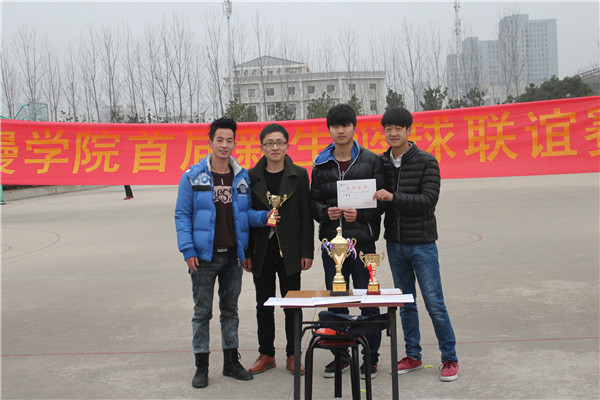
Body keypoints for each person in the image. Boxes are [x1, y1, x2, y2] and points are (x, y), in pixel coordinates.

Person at [174, 117, 272, 389]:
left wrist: (264, 217)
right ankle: (201, 367)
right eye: (220, 140)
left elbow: (245, 214)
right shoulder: (192, 176)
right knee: (202, 312)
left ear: (234, 143)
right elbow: (182, 215)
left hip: (232, 256)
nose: (224, 145)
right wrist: (187, 249)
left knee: (230, 311)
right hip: (203, 257)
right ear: (210, 142)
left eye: (229, 140)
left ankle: (231, 362)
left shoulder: (241, 177)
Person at [373, 107, 459, 382]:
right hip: (395, 244)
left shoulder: (426, 161)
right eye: (388, 128)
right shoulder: (381, 162)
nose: (393, 133)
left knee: (434, 302)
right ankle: (413, 354)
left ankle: (449, 358)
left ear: (409, 131)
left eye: (398, 128)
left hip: (422, 244)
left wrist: (393, 197)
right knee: (405, 304)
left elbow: (428, 201)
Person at [310, 103, 386, 379]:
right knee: (337, 302)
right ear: (329, 129)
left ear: (354, 127)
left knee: (368, 301)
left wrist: (361, 214)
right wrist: (324, 212)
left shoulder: (372, 161)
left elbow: (381, 202)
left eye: (345, 125)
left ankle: (371, 358)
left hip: (363, 244)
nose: (340, 130)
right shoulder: (320, 164)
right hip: (333, 246)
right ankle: (340, 355)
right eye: (335, 126)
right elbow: (313, 202)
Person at [245, 123, 314, 376]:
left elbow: (306, 214)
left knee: (292, 303)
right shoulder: (251, 176)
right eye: (269, 143)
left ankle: (293, 354)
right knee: (263, 304)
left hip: (291, 250)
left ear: (287, 145)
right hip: (261, 249)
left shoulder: (299, 174)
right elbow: (245, 216)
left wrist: (307, 251)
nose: (275, 147)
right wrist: (247, 253)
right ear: (262, 147)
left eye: (279, 142)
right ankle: (266, 353)